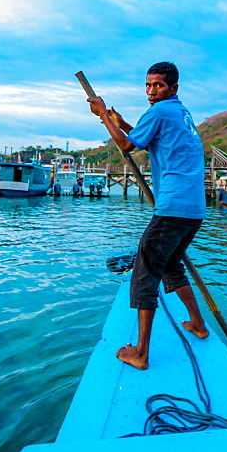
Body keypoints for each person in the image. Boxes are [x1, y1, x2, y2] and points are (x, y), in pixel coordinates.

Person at [87, 61, 208, 370]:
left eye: (158, 85)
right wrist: (122, 122)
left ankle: (140, 353)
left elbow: (127, 145)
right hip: (193, 209)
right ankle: (198, 323)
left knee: (144, 275)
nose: (151, 91)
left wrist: (103, 115)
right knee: (170, 265)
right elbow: (143, 137)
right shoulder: (181, 113)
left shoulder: (159, 111)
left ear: (173, 88)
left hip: (173, 208)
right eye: (148, 85)